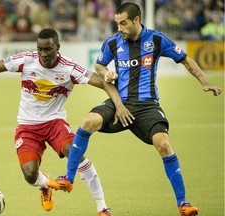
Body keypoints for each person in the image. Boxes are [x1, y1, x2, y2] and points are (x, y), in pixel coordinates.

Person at [47, 2, 223, 216]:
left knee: (164, 145)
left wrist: (204, 83)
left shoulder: (157, 40)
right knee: (87, 122)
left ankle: (183, 204)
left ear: (137, 20)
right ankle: (68, 178)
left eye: (123, 23)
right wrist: (106, 73)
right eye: (116, 23)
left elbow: (186, 60)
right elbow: (99, 65)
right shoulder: (113, 43)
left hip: (147, 106)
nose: (119, 28)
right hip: (119, 103)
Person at [0, 28, 132, 216]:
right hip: (27, 126)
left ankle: (102, 208)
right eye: (40, 49)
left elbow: (102, 82)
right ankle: (45, 185)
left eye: (48, 49)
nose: (43, 54)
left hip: (55, 123)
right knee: (29, 174)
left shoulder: (69, 68)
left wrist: (119, 103)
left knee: (75, 153)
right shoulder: (26, 60)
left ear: (57, 47)